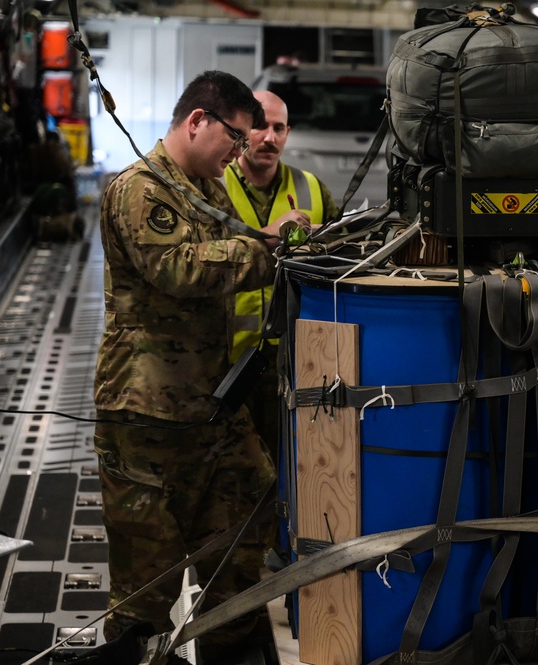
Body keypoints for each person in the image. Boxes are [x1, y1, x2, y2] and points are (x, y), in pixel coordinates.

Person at [93, 70, 312, 662]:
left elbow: (229, 248)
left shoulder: (204, 187)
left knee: (245, 530)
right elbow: (179, 268)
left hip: (212, 407)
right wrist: (263, 248)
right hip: (148, 412)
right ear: (197, 122)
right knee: (147, 580)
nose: (242, 151)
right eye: (237, 138)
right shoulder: (142, 189)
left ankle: (230, 644)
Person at [223, 89, 339, 453]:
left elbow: (339, 258)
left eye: (279, 128)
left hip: (297, 358)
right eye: (259, 127)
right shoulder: (214, 186)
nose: (269, 138)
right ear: (242, 129)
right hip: (227, 361)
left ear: (288, 132)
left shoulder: (311, 189)